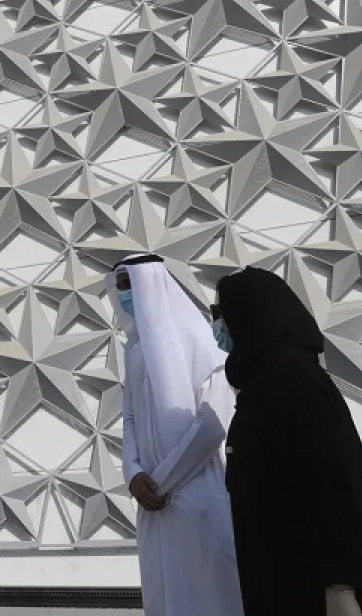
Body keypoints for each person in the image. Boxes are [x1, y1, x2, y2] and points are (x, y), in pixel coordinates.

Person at [217, 265, 362, 616]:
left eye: (222, 314)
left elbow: (328, 485)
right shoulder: (263, 384)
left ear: (250, 314)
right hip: (285, 579)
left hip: (313, 589)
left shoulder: (290, 383)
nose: (220, 326)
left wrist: (341, 587)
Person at [112, 254, 243, 616]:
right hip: (153, 504)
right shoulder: (134, 348)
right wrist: (133, 474)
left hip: (198, 495)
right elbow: (130, 417)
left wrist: (161, 482)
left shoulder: (197, 339)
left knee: (212, 596)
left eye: (129, 285)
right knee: (166, 598)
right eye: (119, 287)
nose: (124, 294)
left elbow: (213, 422)